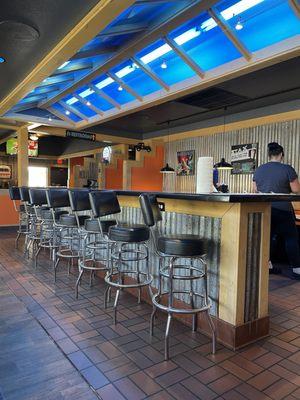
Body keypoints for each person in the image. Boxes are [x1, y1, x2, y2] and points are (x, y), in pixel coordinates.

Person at [253, 142, 300, 279]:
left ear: (269, 155)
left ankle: (268, 265)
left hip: (265, 209)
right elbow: (296, 190)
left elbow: (255, 190)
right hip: (283, 209)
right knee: (291, 238)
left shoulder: (259, 169)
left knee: (268, 237)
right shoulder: (287, 169)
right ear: (281, 155)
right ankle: (297, 269)